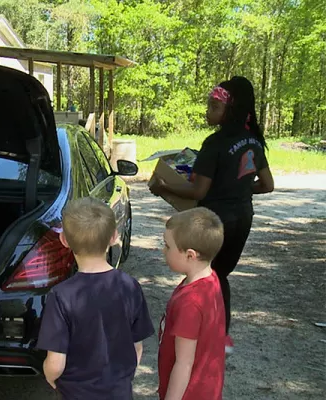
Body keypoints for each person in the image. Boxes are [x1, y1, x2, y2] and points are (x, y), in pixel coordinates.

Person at [150, 76, 275, 353]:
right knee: (221, 274)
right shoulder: (253, 141)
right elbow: (267, 184)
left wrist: (163, 186)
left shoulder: (215, 144)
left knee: (204, 276)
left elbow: (197, 191)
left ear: (228, 110)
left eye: (213, 106)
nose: (208, 111)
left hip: (215, 221)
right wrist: (239, 189)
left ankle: (200, 335)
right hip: (243, 217)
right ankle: (220, 336)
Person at [35, 197, 155, 399]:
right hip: (119, 391)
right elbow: (137, 345)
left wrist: (51, 377)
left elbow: (55, 363)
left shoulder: (61, 295)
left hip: (77, 393)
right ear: (114, 237)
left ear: (64, 240)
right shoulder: (129, 285)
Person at [157, 207, 226, 400]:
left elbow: (184, 363)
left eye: (167, 246)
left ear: (190, 255)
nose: (164, 251)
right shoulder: (210, 279)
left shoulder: (191, 302)